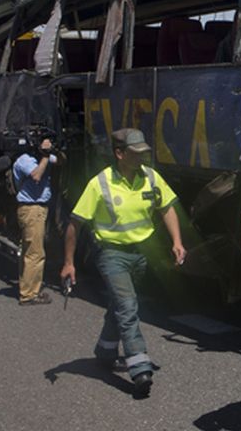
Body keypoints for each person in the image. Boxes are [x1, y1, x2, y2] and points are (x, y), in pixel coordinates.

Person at [59, 128, 186, 397]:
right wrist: (69, 262)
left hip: (142, 254)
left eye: (144, 152)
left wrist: (176, 241)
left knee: (119, 304)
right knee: (128, 307)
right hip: (111, 254)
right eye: (136, 153)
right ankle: (139, 367)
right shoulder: (100, 184)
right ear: (119, 154)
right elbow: (75, 224)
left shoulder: (151, 177)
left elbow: (167, 208)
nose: (143, 157)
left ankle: (105, 351)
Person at [13, 135, 62, 306]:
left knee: (29, 251)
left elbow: (61, 161)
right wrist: (46, 156)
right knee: (35, 253)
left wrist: (53, 151)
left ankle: (27, 288)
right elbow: (36, 176)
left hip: (37, 208)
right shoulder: (24, 160)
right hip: (31, 208)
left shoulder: (40, 157)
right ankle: (29, 295)